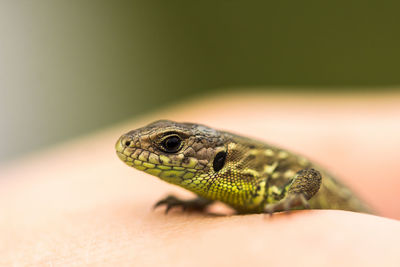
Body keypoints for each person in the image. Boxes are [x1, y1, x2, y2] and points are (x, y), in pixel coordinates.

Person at [1, 93, 399, 266]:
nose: (133, 149)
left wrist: (294, 198)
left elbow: (309, 175)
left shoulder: (255, 171)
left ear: (218, 157)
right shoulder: (222, 183)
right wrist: (198, 202)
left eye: (170, 145)